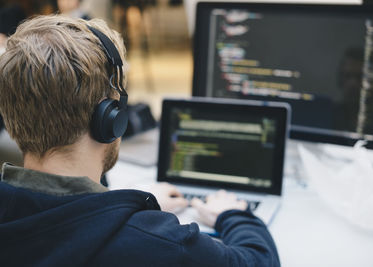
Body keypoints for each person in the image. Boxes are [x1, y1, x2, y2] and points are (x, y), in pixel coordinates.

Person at [0, 15, 280, 266]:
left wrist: (125, 205)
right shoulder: (160, 245)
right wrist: (233, 215)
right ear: (110, 118)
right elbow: (257, 261)